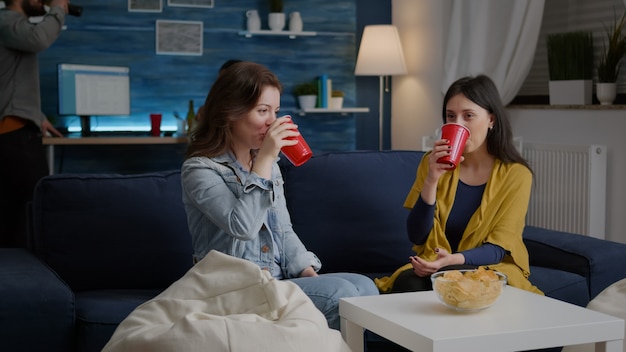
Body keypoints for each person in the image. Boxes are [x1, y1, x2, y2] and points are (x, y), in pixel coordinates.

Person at [181, 61, 379, 330]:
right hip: (235, 289)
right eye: (262, 111)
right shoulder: (200, 169)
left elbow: (282, 229)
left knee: (363, 286)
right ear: (230, 113)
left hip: (278, 281)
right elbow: (242, 226)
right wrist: (264, 160)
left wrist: (308, 274)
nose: (272, 121)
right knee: (339, 294)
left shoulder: (269, 165)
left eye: (275, 111)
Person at [375, 75, 543, 295]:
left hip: (488, 268)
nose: (458, 124)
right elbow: (417, 236)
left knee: (458, 286)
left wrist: (452, 260)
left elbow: (499, 249)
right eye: (451, 116)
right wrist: (431, 179)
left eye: (469, 116)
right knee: (409, 284)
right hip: (437, 266)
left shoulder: (516, 175)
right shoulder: (431, 162)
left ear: (491, 119)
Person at [0, 0, 67, 248]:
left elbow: (10, 81)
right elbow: (38, 39)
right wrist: (59, 8)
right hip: (13, 138)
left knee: (16, 217)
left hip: (19, 130)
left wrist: (35, 114)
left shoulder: (13, 27)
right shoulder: (5, 21)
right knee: (35, 210)